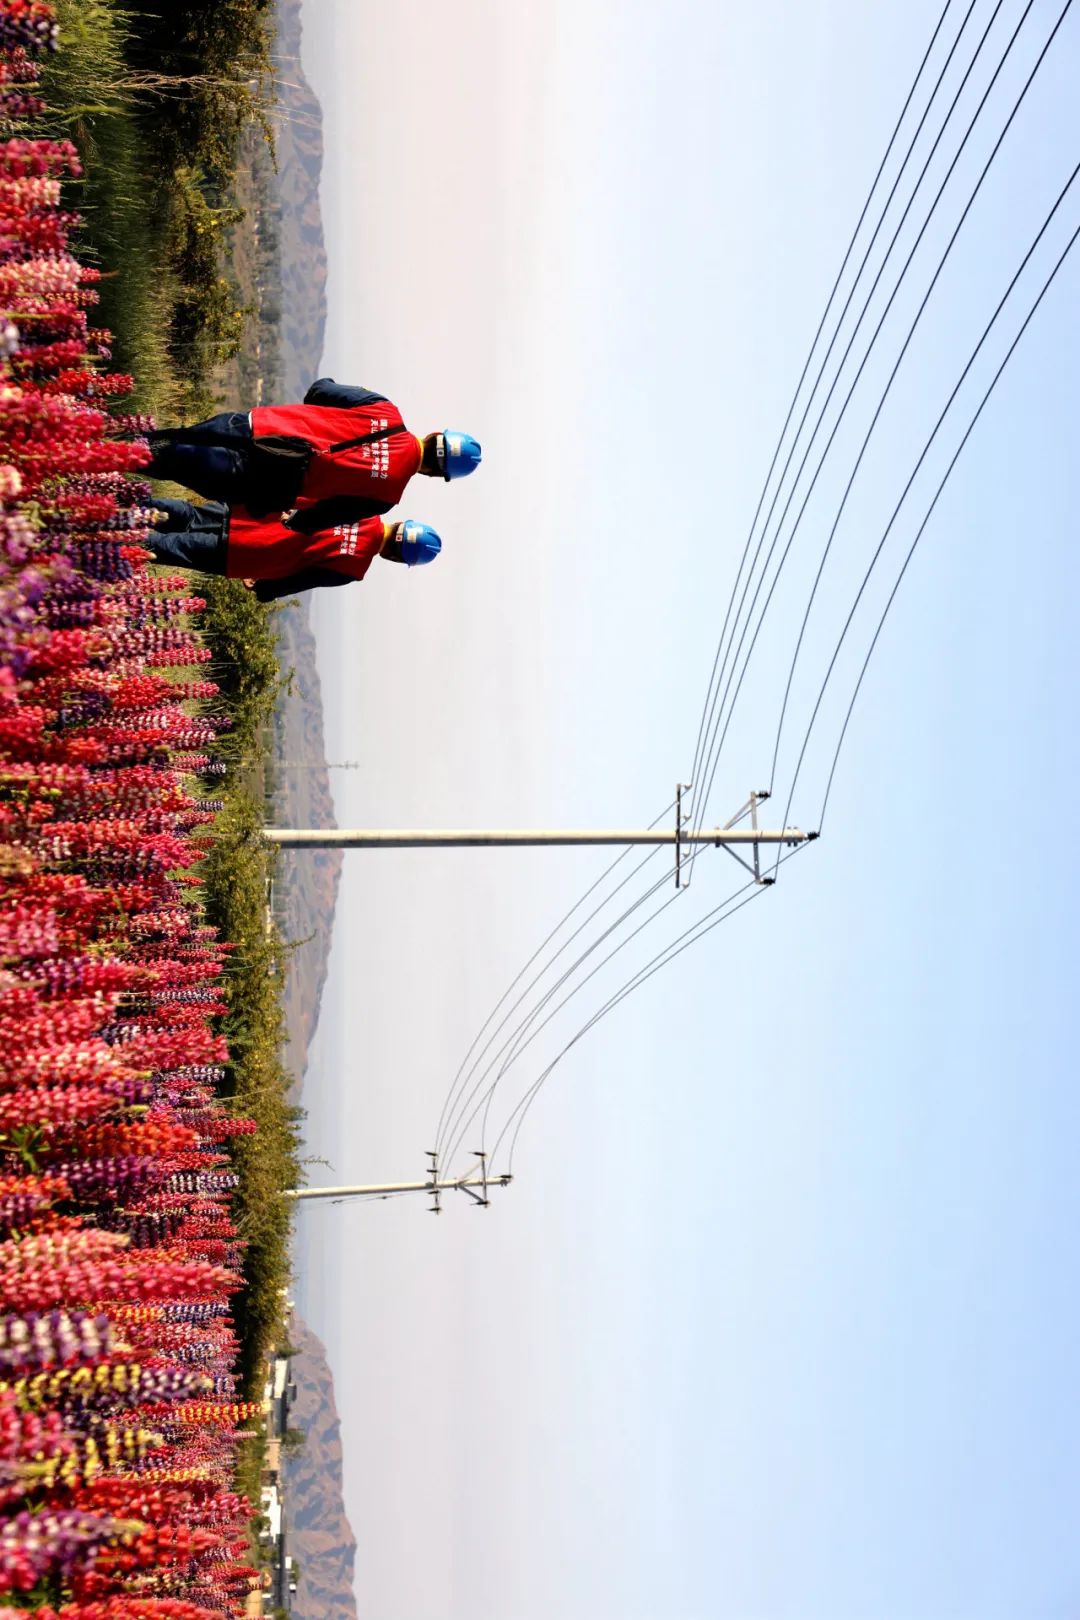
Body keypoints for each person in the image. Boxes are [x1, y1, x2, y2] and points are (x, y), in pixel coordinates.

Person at [144, 378, 481, 520]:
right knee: (168, 463)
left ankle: (115, 438)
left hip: (260, 427)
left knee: (168, 439)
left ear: (434, 434)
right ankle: (116, 465)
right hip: (260, 482)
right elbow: (318, 518)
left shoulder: (385, 411)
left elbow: (319, 391)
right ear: (435, 474)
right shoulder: (385, 498)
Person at [144, 495, 441, 602]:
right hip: (246, 554)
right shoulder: (353, 568)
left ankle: (126, 501)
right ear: (395, 558)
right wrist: (264, 589)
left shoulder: (364, 507)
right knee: (172, 548)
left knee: (188, 514)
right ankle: (121, 544)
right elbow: (302, 579)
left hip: (252, 515)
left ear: (401, 524)